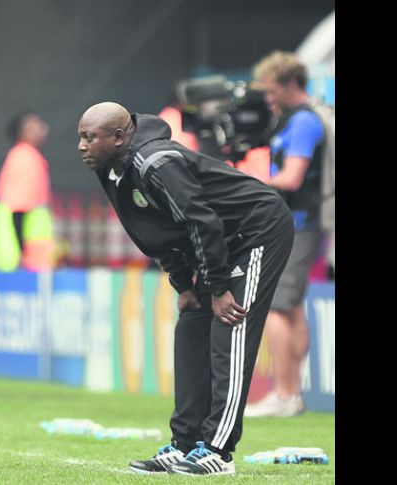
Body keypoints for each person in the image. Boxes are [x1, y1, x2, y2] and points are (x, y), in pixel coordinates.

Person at [77, 102, 293, 476]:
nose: (81, 146)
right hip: (218, 241)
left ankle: (217, 451)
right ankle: (185, 444)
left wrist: (220, 287)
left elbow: (200, 221)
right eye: (80, 137)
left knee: (230, 324)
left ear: (118, 137)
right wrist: (184, 285)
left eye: (88, 137)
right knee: (192, 325)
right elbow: (153, 230)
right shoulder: (111, 166)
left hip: (256, 229)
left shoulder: (156, 162)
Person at [244, 51, 326, 418]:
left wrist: (249, 184)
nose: (268, 98)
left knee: (275, 305)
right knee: (290, 307)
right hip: (297, 221)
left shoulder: (305, 122)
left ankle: (286, 394)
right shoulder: (293, 119)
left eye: (273, 90)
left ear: (291, 84)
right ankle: (291, 394)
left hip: (300, 221)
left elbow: (292, 178)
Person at [0, 112, 55, 271]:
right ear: (23, 132)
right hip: (24, 260)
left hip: (24, 256)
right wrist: (21, 251)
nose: (44, 128)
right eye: (36, 125)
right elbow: (18, 209)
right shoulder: (26, 159)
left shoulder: (22, 156)